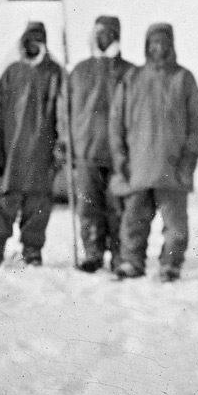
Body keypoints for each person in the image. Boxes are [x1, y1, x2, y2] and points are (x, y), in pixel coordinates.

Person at [109, 23, 198, 282]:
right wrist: (121, 160)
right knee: (133, 222)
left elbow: (197, 125)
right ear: (146, 45)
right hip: (137, 167)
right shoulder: (132, 78)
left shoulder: (183, 79)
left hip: (172, 169)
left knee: (175, 225)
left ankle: (171, 264)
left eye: (164, 42)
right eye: (154, 42)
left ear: (171, 45)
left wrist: (188, 162)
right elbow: (116, 122)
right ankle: (132, 262)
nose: (158, 48)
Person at [0, 21, 63, 268]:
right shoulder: (11, 73)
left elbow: (64, 113)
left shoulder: (55, 74)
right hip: (12, 153)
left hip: (41, 153)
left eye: (38, 40)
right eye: (29, 40)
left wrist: (62, 146)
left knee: (38, 206)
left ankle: (32, 250)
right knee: (4, 205)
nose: (33, 44)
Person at [61, 15, 134, 273]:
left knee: (117, 209)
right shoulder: (78, 72)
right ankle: (92, 253)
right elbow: (65, 111)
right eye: (100, 34)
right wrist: (64, 141)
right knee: (88, 208)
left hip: (118, 155)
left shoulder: (129, 72)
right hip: (86, 152)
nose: (105, 39)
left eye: (110, 34)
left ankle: (117, 254)